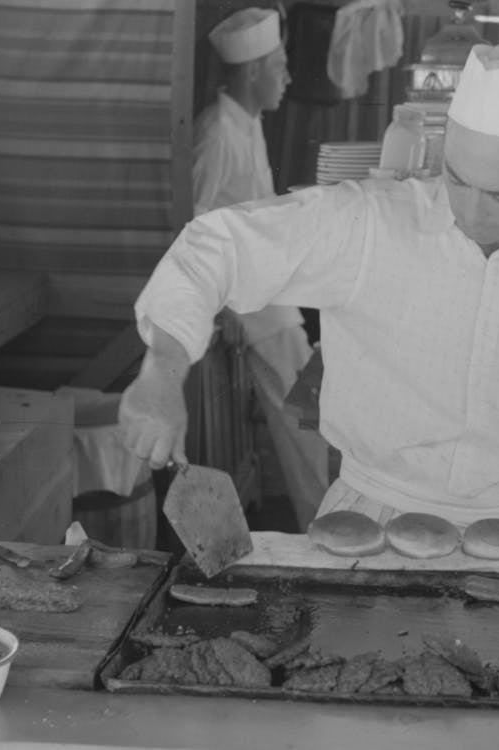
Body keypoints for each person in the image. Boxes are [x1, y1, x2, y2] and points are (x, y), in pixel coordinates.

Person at [120, 43, 499, 543]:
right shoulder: (370, 224)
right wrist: (161, 370)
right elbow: (215, 247)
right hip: (369, 516)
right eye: (457, 180)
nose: (471, 212)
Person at [193, 7, 329, 525]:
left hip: (272, 297)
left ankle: (324, 524)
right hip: (254, 307)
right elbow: (195, 227)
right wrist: (217, 303)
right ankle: (325, 535)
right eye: (281, 67)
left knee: (311, 419)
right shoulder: (216, 133)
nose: (288, 78)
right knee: (305, 428)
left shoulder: (245, 123)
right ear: (252, 71)